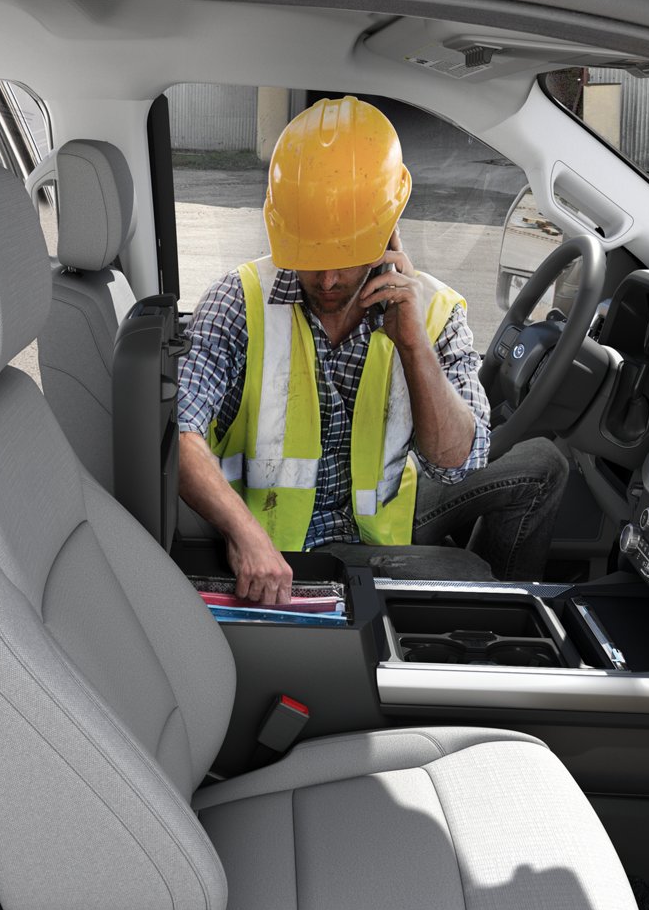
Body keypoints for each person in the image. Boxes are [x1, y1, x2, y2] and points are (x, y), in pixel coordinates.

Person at [176, 96, 569, 604]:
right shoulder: (239, 301)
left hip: (383, 516)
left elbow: (456, 463)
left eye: (347, 255)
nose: (330, 279)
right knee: (469, 573)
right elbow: (180, 432)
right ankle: (481, 607)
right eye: (312, 257)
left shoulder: (432, 311)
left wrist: (412, 343)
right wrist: (243, 533)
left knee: (544, 464)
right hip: (283, 540)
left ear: (388, 231)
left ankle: (498, 627)